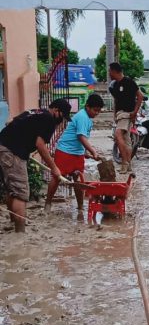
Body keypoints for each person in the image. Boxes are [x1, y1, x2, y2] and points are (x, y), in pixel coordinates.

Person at [0, 99, 71, 232]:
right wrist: (54, 168)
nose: (61, 121)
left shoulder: (35, 112)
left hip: (3, 146)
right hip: (12, 152)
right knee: (21, 193)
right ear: (56, 110)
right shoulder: (49, 119)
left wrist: (25, 143)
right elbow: (40, 145)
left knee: (13, 189)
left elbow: (10, 122)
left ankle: (13, 222)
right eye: (62, 117)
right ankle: (20, 235)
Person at [44, 94, 104, 214]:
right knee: (56, 177)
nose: (96, 113)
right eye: (95, 110)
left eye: (98, 111)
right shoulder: (82, 117)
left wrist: (85, 152)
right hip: (65, 151)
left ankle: (81, 207)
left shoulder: (87, 119)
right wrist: (93, 151)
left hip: (77, 153)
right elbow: (81, 137)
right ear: (87, 106)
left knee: (79, 179)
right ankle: (48, 203)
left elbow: (82, 139)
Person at [108, 62, 143, 173]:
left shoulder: (129, 82)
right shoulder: (115, 85)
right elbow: (116, 101)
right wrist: (114, 115)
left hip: (126, 114)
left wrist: (135, 112)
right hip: (120, 115)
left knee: (118, 135)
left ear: (114, 71)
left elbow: (140, 96)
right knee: (127, 140)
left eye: (109, 71)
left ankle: (124, 162)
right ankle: (128, 166)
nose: (109, 73)